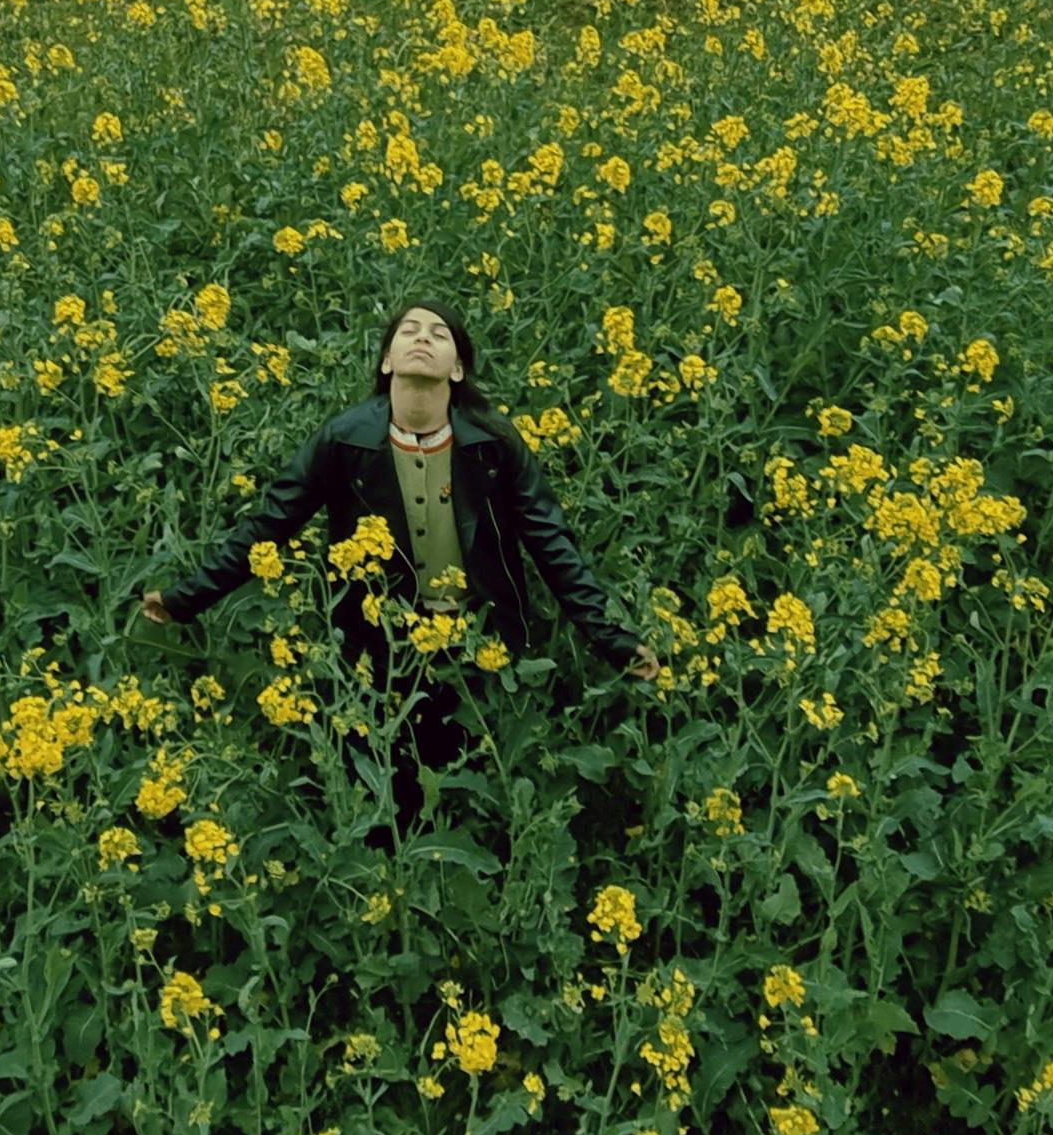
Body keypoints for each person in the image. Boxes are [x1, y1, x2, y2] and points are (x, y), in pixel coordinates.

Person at [139, 299, 661, 834]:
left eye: (439, 333)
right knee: (385, 791)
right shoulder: (343, 438)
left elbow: (552, 543)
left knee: (477, 785)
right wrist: (186, 598)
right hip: (378, 644)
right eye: (408, 330)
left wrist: (613, 639)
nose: (423, 337)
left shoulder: (494, 442)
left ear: (457, 368)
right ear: (387, 360)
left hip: (476, 643)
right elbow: (270, 526)